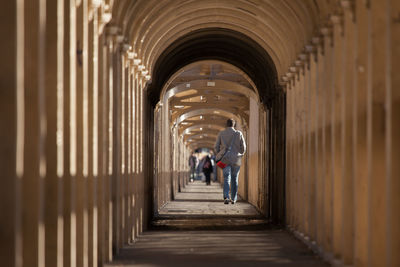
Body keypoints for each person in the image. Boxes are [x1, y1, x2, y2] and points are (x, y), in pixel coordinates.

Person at [214, 118, 246, 204]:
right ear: (234, 124)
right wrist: (239, 154)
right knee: (235, 178)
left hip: (225, 159)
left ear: (226, 124)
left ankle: (226, 197)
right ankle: (234, 198)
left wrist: (220, 154)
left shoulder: (221, 133)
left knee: (226, 178)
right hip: (236, 159)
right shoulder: (238, 133)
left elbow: (216, 147)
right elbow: (243, 148)